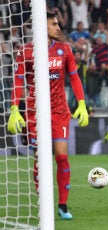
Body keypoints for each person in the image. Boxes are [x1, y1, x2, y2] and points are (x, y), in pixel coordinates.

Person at [7, 11, 89, 220]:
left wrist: (81, 104)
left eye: (57, 24)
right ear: (41, 26)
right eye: (53, 24)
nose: (58, 28)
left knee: (61, 155)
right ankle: (44, 203)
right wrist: (14, 108)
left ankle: (62, 205)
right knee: (40, 158)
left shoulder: (64, 50)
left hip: (60, 110)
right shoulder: (25, 52)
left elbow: (74, 77)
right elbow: (17, 81)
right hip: (35, 112)